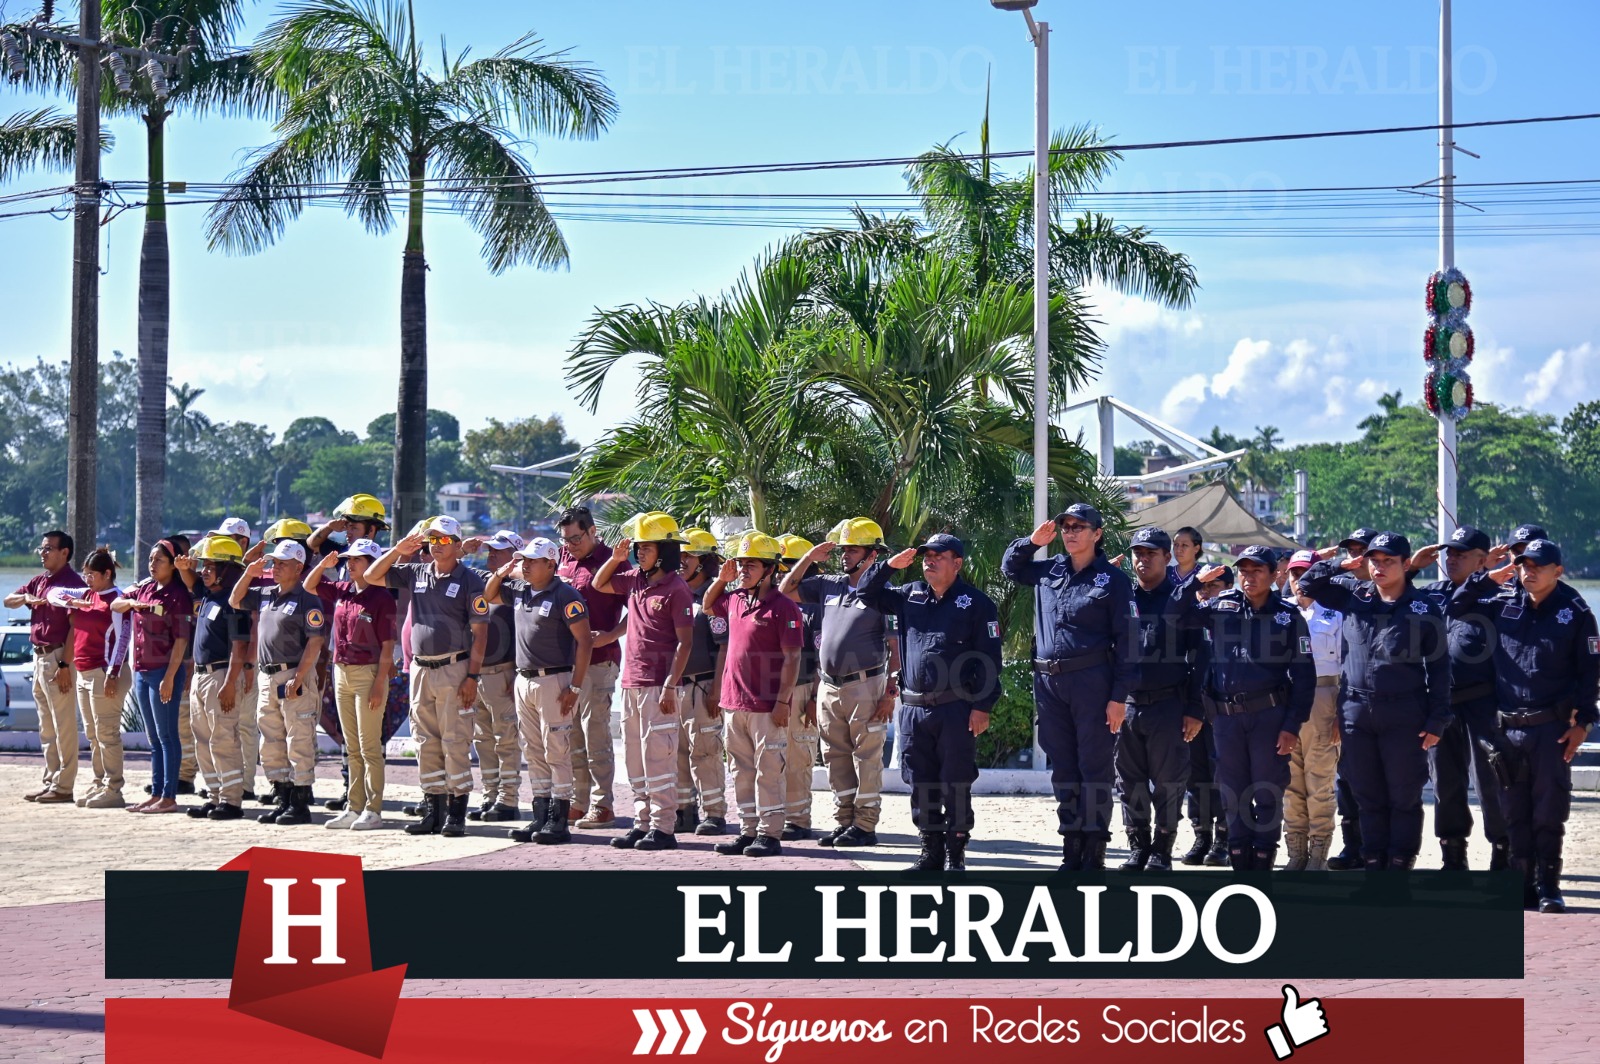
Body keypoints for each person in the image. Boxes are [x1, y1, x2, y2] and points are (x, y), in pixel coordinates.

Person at [1454, 539, 1597, 912]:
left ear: (1557, 571)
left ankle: (1549, 886)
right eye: (1523, 565)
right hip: (1507, 728)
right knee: (1513, 810)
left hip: (1551, 728)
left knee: (1549, 809)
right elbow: (1456, 606)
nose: (1527, 571)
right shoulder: (1502, 601)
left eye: (1537, 566)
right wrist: (1486, 577)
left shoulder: (1575, 612)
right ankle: (1521, 885)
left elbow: (1590, 673)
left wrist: (1584, 723)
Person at [1298, 533, 1451, 871]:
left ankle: (1398, 866)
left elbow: (1440, 668)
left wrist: (1437, 718)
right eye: (1374, 560)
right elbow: (1307, 583)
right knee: (1367, 796)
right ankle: (1372, 863)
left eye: (1388, 561)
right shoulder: (1355, 596)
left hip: (1404, 712)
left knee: (1403, 796)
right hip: (1356, 710)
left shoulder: (1424, 608)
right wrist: (1342, 563)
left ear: (1406, 564)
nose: (1379, 568)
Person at [1001, 504, 1137, 871]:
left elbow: (1128, 643)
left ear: (1097, 534)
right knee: (1063, 767)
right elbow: (1011, 568)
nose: (1071, 532)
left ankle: (1093, 850)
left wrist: (1118, 697)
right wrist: (1031, 543)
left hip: (1093, 682)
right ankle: (1071, 846)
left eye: (1080, 526)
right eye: (1066, 526)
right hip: (1049, 682)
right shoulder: (1049, 571)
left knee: (1093, 767)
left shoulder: (1112, 581)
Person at [860, 533, 1002, 871]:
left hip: (956, 709)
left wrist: (983, 706)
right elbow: (866, 593)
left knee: (955, 781)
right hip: (913, 708)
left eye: (939, 555)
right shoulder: (909, 595)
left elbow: (990, 661)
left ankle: (955, 854)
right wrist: (889, 567)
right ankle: (930, 852)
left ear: (957, 563)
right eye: (926, 555)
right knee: (920, 781)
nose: (930, 561)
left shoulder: (977, 603)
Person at [1178, 545, 1315, 870]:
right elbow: (1177, 614)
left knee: (1268, 793)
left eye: (1257, 570)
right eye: (1244, 570)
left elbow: (1305, 675)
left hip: (1269, 718)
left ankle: (1264, 861)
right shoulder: (1221, 607)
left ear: (1273, 575)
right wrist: (1194, 583)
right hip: (1226, 720)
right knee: (1233, 792)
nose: (1249, 576)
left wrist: (1291, 726)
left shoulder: (1288, 616)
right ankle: (1240, 863)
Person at [363, 516, 489, 838]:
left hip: (454, 668)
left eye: (444, 540)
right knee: (425, 742)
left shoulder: (471, 580)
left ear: (458, 546)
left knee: (455, 741)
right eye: (432, 539)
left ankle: (456, 814)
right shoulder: (416, 571)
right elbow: (370, 575)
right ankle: (433, 811)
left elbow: (481, 634)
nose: (436, 545)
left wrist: (472, 677)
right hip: (420, 669)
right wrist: (398, 549)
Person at [780, 518, 901, 849]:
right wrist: (808, 559)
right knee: (834, 756)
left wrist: (890, 693)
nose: (845, 556)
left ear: (872, 555)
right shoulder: (827, 584)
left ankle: (865, 825)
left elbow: (896, 649)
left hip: (867, 684)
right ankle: (844, 821)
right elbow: (785, 590)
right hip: (829, 686)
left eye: (853, 550)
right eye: (844, 549)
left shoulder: (884, 596)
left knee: (867, 757)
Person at [592, 512, 695, 850]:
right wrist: (617, 558)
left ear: (664, 551)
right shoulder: (635, 579)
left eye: (646, 548)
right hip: (631, 682)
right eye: (638, 547)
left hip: (659, 686)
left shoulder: (677, 589)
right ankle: (642, 822)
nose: (640, 553)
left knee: (659, 759)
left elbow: (685, 643)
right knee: (634, 759)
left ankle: (664, 829)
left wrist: (669, 685)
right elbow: (599, 584)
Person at [1412, 526, 1511, 870]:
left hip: (1483, 703)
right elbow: (1388, 597)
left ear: (1483, 560)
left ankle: (1503, 851)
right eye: (1449, 553)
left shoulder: (1500, 596)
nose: (1450, 559)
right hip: (1440, 705)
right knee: (1445, 781)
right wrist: (1410, 568)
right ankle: (1453, 855)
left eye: (1461, 554)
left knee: (1491, 780)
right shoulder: (1433, 593)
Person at [484, 537, 595, 845]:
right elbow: (489, 595)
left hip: (555, 680)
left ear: (551, 563)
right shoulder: (520, 590)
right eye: (524, 560)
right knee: (533, 750)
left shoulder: (565, 594)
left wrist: (575, 686)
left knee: (556, 749)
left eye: (532, 560)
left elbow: (585, 642)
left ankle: (559, 819)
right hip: (524, 679)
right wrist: (502, 572)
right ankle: (540, 814)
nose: (526, 565)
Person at [702, 532, 804, 857]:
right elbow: (707, 605)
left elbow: (793, 658)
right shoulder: (733, 599)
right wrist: (722, 579)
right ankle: (748, 832)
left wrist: (783, 702)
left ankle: (769, 834)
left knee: (769, 771)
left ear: (770, 569)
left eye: (751, 565)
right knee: (740, 771)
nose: (744, 570)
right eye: (741, 563)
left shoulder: (785, 608)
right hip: (734, 704)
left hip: (767, 706)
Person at [1116, 527, 1204, 871]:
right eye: (1138, 553)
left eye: (1151, 553)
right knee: (1129, 781)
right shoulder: (1124, 599)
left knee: (1170, 782)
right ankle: (1138, 847)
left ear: (1168, 557)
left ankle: (1162, 850)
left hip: (1170, 704)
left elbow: (1201, 658)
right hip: (1127, 705)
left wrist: (1195, 709)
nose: (1143, 559)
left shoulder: (1182, 601)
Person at [230, 540, 328, 826]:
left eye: (282, 563)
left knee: (297, 739)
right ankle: (281, 798)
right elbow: (235, 600)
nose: (275, 568)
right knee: (271, 741)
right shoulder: (265, 594)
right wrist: (249, 572)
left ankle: (299, 804)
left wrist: (299, 678)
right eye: (274, 562)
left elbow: (316, 641)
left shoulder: (308, 599)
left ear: (299, 568)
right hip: (267, 675)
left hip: (293, 674)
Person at [305, 538, 398, 830]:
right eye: (349, 559)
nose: (350, 563)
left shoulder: (382, 597)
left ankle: (374, 809)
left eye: (357, 559)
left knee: (369, 746)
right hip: (341, 672)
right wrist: (324, 564)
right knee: (351, 746)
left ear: (372, 563)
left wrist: (380, 683)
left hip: (368, 673)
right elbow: (309, 585)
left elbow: (387, 645)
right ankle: (354, 806)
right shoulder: (342, 589)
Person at [556, 506, 630, 830]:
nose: (570, 545)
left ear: (592, 531)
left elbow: (637, 608)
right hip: (564, 664)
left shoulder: (613, 563)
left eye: (575, 538)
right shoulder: (561, 558)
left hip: (600, 662)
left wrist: (612, 635)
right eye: (565, 540)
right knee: (570, 734)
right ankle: (578, 801)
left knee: (595, 733)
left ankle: (603, 805)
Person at [113, 540, 195, 814]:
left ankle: (169, 796)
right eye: (150, 559)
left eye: (159, 560)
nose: (153, 563)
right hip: (142, 671)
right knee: (154, 739)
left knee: (168, 736)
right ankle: (156, 791)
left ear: (173, 565)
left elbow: (181, 642)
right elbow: (115, 603)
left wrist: (170, 677)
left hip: (163, 671)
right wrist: (131, 600)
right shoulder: (145, 589)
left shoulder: (177, 596)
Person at [5, 530, 86, 803]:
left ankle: (64, 786)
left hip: (58, 656)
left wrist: (65, 664)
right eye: (42, 548)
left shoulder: (73, 584)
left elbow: (75, 628)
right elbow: (8, 600)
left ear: (65, 552)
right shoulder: (39, 582)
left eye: (49, 548)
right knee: (47, 727)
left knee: (64, 725)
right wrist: (26, 598)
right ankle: (51, 780)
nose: (43, 553)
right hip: (38, 657)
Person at [49, 550, 131, 809]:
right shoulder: (86, 594)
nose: (87, 580)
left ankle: (114, 788)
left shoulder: (117, 599)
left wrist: (113, 673)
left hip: (105, 672)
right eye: (85, 575)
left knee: (107, 733)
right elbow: (52, 594)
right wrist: (73, 603)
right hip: (83, 673)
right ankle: (100, 782)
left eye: (92, 575)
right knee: (93, 734)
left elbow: (124, 639)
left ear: (108, 574)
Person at [178, 537, 252, 821]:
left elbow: (240, 646)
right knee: (203, 739)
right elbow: (190, 581)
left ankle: (231, 801)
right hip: (201, 676)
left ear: (226, 569)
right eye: (204, 566)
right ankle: (214, 796)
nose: (204, 571)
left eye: (211, 566)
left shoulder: (235, 600)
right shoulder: (208, 593)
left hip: (221, 675)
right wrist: (187, 566)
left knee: (224, 738)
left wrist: (231, 683)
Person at [1283, 550, 1343, 870]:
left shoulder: (1336, 615)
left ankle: (1318, 852)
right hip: (1287, 699)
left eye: (1304, 573)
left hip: (1324, 697)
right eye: (1293, 574)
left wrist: (1340, 713)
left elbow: (1349, 665)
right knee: (1290, 783)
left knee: (1319, 782)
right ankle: (1296, 850)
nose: (1298, 581)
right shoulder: (1280, 613)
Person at [460, 530, 525, 822]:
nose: (492, 555)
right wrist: (462, 550)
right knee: (483, 739)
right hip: (477, 674)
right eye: (490, 551)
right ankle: (490, 796)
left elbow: (526, 635)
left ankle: (508, 799)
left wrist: (518, 672)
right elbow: (453, 568)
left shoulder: (519, 588)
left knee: (506, 740)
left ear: (515, 555)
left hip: (504, 674)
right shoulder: (479, 582)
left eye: (499, 551)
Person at [674, 528, 729, 836]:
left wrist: (717, 690)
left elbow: (724, 646)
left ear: (705, 562)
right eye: (679, 556)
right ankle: (685, 810)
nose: (682, 562)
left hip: (704, 686)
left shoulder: (715, 598)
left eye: (689, 556)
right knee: (677, 752)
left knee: (705, 752)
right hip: (676, 686)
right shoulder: (675, 592)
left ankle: (715, 813)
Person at [775, 533, 822, 841]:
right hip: (774, 692)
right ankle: (774, 816)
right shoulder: (772, 602)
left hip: (804, 688)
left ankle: (799, 819)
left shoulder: (816, 606)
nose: (782, 574)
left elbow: (822, 655)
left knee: (798, 758)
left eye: (787, 567)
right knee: (771, 759)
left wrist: (815, 696)